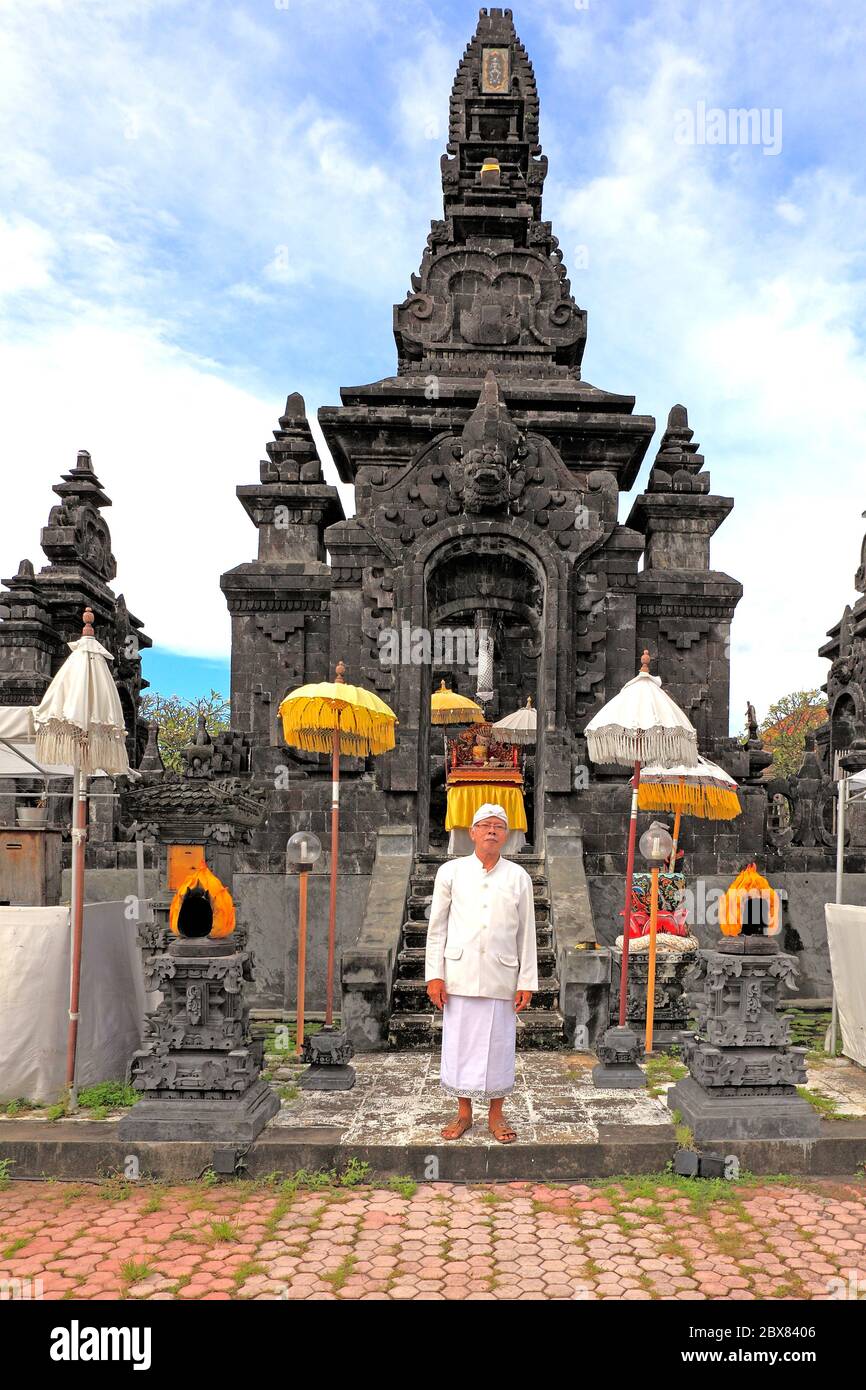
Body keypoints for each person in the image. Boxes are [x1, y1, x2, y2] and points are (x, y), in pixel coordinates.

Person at [425, 802, 537, 1143]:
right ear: (472, 831)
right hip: (458, 974)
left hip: (501, 976)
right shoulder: (451, 872)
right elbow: (437, 928)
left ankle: (496, 1114)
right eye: (485, 825)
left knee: (498, 1046)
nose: (491, 831)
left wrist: (527, 982)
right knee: (459, 1046)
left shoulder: (519, 877)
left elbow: (526, 933)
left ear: (506, 834)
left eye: (498, 826)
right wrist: (434, 975)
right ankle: (463, 1113)